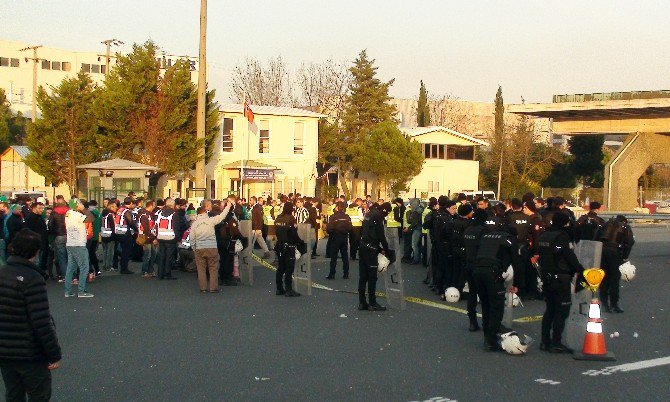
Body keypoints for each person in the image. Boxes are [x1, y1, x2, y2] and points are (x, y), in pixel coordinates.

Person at [0, 229, 62, 401]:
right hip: (30, 351)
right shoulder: (33, 278)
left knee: (13, 394)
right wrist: (54, 353)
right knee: (38, 394)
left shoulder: (3, 272)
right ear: (36, 251)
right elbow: (41, 321)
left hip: (5, 349)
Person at [537, 211, 584, 353]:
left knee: (549, 309)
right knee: (562, 311)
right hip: (560, 277)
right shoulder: (562, 237)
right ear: (564, 223)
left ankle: (545, 341)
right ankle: (556, 342)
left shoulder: (544, 235)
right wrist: (581, 270)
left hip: (547, 277)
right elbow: (569, 257)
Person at [472, 223, 521, 351]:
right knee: (496, 306)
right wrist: (517, 284)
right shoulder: (509, 239)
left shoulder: (486, 236)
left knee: (486, 305)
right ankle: (491, 339)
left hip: (477, 271)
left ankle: (487, 337)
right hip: (492, 273)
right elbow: (517, 262)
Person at [190, 202, 231, 293]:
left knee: (201, 269)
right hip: (211, 247)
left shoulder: (195, 224)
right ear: (205, 213)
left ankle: (203, 288)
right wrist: (228, 206)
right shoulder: (210, 220)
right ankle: (213, 288)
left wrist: (194, 247)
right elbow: (222, 217)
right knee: (213, 268)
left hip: (199, 248)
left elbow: (192, 237)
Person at [358, 203, 390, 311]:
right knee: (372, 277)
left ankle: (362, 302)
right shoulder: (378, 216)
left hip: (363, 246)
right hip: (370, 250)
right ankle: (372, 303)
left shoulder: (369, 214)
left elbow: (364, 231)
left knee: (363, 277)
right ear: (385, 210)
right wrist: (386, 248)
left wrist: (378, 248)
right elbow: (380, 234)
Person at [599, 215, 634, 313]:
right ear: (624, 221)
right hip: (615, 253)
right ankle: (614, 305)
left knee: (604, 278)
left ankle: (604, 304)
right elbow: (630, 242)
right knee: (614, 279)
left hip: (603, 252)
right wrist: (625, 256)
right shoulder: (625, 227)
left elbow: (597, 237)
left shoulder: (606, 224)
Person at [463, 209, 490, 331]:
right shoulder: (484, 231)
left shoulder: (468, 229)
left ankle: (472, 322)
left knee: (472, 294)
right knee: (485, 296)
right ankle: (486, 322)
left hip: (469, 263)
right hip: (481, 265)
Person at [274, 202, 307, 297]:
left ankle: (279, 289)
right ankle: (289, 290)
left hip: (280, 245)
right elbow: (293, 233)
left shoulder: (278, 218)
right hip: (289, 246)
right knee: (289, 268)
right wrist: (300, 242)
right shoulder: (291, 218)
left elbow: (277, 231)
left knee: (280, 268)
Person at [64, 200, 95, 298]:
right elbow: (91, 218)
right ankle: (81, 291)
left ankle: (68, 291)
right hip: (79, 244)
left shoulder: (68, 213)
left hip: (70, 243)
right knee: (84, 267)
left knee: (70, 268)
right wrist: (84, 209)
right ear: (77, 205)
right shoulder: (76, 215)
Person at [153, 198, 182, 280]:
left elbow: (156, 224)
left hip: (160, 237)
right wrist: (178, 238)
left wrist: (156, 236)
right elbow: (176, 227)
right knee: (169, 257)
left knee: (162, 256)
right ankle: (167, 274)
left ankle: (160, 274)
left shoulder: (159, 212)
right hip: (171, 238)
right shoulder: (174, 213)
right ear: (173, 205)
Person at [326, 201, 353, 279]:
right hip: (344, 237)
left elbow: (329, 228)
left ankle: (332, 273)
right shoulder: (347, 217)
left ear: (337, 207)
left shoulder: (333, 217)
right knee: (344, 255)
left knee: (334, 256)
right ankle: (346, 273)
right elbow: (350, 228)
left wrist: (331, 232)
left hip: (335, 236)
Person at [24, 202, 48, 275]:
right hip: (35, 243)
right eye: (39, 208)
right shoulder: (30, 218)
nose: (41, 210)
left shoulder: (40, 217)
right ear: (34, 208)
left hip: (42, 242)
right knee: (35, 261)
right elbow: (29, 231)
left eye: (42, 208)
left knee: (40, 261)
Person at [115, 198, 138, 275]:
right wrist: (136, 229)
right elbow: (130, 222)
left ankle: (120, 266)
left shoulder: (119, 210)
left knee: (122, 250)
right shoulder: (126, 211)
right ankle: (124, 268)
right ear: (131, 203)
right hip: (125, 233)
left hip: (118, 232)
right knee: (126, 251)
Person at [137, 200, 157, 278]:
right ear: (150, 205)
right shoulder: (143, 215)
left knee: (153, 254)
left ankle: (150, 270)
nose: (154, 207)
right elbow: (146, 228)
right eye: (154, 205)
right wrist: (153, 238)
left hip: (150, 236)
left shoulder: (151, 214)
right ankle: (144, 271)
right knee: (147, 254)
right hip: (144, 237)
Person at [100, 202, 117, 272]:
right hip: (110, 236)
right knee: (110, 252)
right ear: (111, 207)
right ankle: (108, 266)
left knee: (105, 251)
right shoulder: (110, 215)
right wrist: (115, 235)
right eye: (115, 206)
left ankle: (104, 265)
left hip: (104, 234)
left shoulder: (103, 214)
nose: (116, 208)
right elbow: (113, 226)